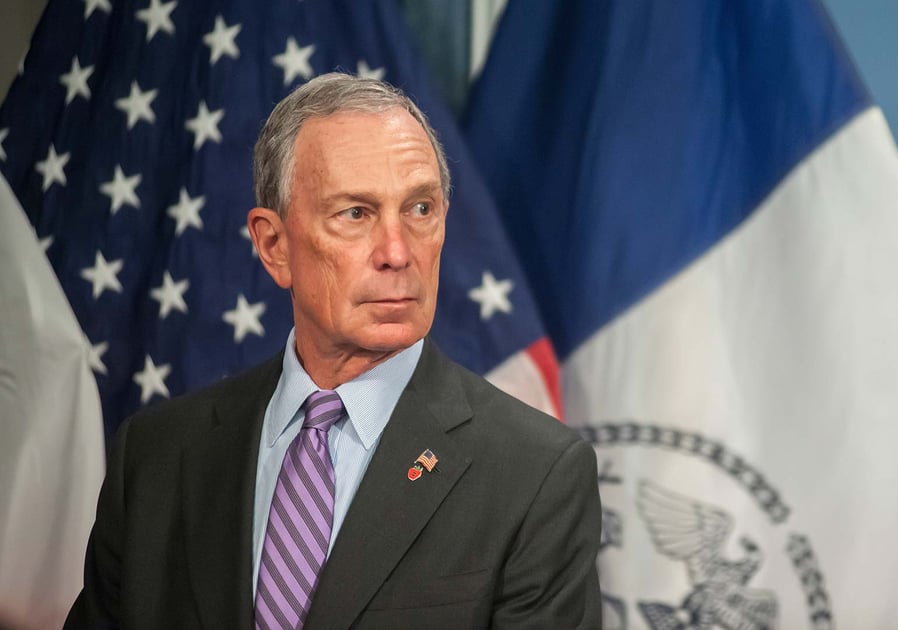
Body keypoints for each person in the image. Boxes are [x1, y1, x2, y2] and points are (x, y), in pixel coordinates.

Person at [65, 73, 602, 629]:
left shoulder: (535, 476)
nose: (398, 252)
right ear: (274, 246)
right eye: (355, 214)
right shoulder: (155, 459)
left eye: (420, 209)